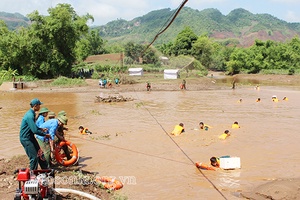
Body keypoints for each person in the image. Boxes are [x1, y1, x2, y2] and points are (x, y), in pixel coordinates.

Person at [19, 98, 50, 170]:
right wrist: (45, 134)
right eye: (39, 105)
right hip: (26, 139)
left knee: (40, 154)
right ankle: (32, 174)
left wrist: (40, 129)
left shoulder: (32, 114)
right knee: (34, 157)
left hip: (30, 137)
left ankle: (45, 169)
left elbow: (33, 127)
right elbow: (34, 130)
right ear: (35, 106)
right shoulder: (30, 115)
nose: (40, 107)